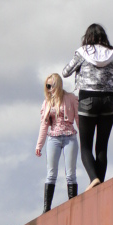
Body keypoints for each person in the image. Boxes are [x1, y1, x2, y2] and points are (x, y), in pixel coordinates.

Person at [62, 23, 113, 190]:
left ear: (87, 37)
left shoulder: (82, 52)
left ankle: (94, 179)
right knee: (102, 147)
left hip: (87, 99)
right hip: (109, 101)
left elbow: (65, 72)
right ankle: (99, 186)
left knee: (86, 146)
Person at [35, 73, 79, 213]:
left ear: (58, 84)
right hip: (53, 138)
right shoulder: (47, 102)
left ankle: (73, 205)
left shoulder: (70, 98)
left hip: (69, 137)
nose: (50, 89)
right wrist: (39, 145)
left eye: (52, 85)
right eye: (48, 86)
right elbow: (44, 125)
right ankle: (46, 209)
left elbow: (78, 119)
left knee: (70, 174)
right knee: (51, 173)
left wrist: (85, 138)